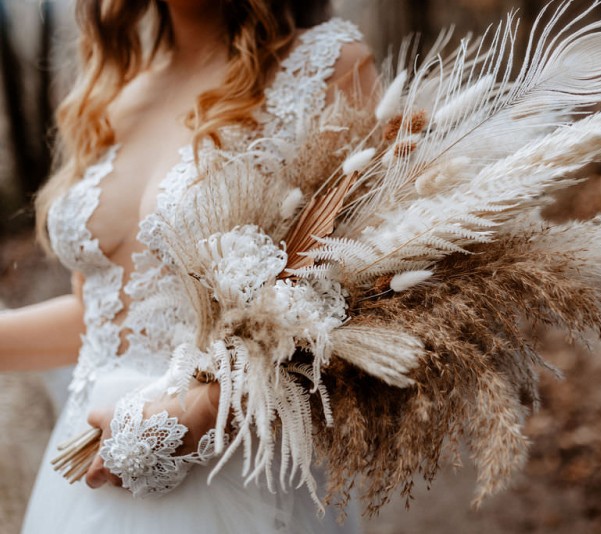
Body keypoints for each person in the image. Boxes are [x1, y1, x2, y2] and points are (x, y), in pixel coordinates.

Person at [0, 0, 377, 532]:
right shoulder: (110, 94)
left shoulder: (327, 69)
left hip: (236, 478)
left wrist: (199, 414)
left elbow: (365, 306)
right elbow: (102, 320)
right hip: (85, 479)